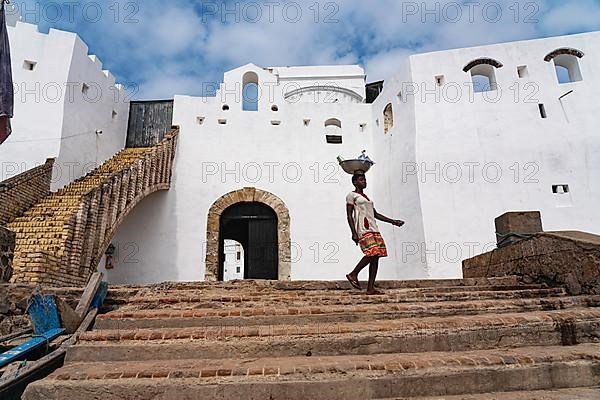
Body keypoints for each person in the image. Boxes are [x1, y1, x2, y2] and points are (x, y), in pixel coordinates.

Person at [345, 172, 404, 295]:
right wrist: (353, 233)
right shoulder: (351, 196)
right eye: (361, 179)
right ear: (355, 182)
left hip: (373, 228)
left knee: (376, 257)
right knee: (372, 252)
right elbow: (349, 215)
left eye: (364, 179)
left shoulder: (367, 198)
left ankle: (370, 287)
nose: (364, 181)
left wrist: (393, 221)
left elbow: (375, 214)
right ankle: (353, 273)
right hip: (363, 228)